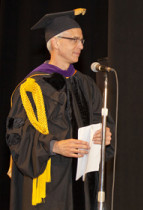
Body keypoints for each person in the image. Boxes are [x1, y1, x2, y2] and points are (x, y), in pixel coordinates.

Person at [6, 8, 114, 210]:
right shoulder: (31, 88)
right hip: (49, 186)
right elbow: (16, 138)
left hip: (82, 184)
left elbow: (101, 123)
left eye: (82, 40)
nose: (80, 46)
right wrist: (53, 146)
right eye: (74, 40)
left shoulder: (86, 84)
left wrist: (105, 135)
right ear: (55, 42)